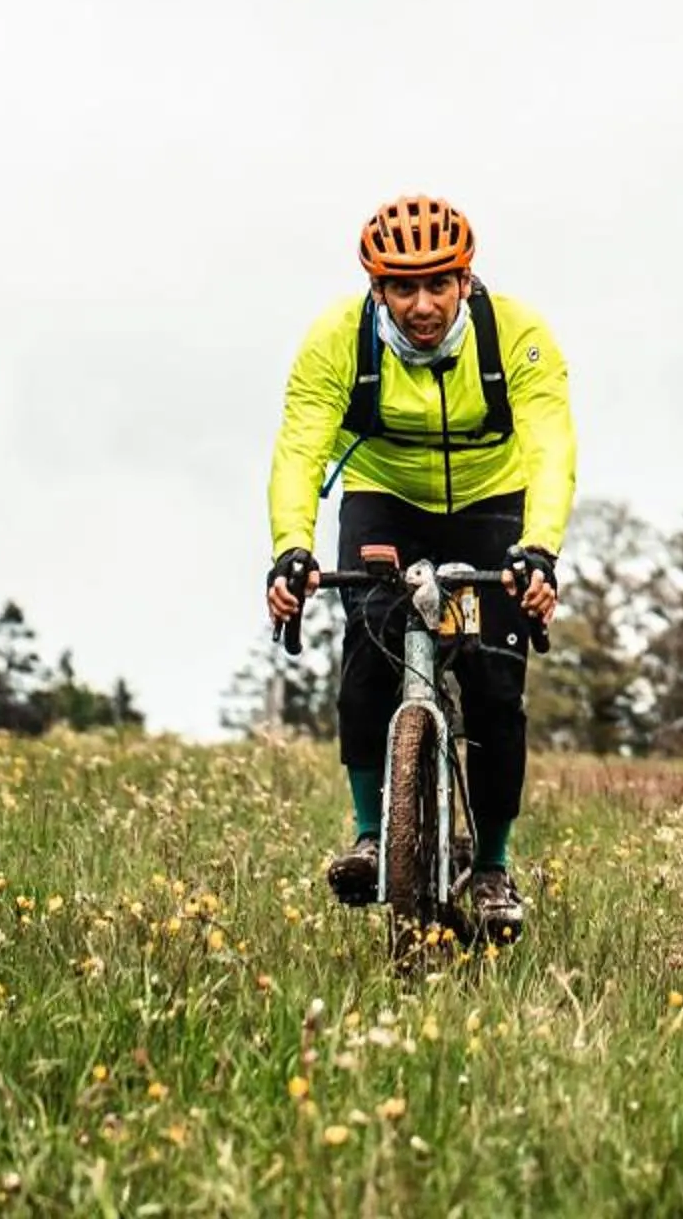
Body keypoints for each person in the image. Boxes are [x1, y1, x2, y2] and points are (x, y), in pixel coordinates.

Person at [264, 194, 575, 937]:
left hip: (491, 499)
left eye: (440, 284)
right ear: (377, 289)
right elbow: (300, 448)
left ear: (466, 280)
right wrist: (290, 550)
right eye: (403, 288)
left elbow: (549, 446)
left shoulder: (518, 336)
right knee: (369, 646)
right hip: (386, 498)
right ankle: (373, 836)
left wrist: (539, 551)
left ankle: (492, 866)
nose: (424, 305)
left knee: (495, 685)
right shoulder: (336, 341)